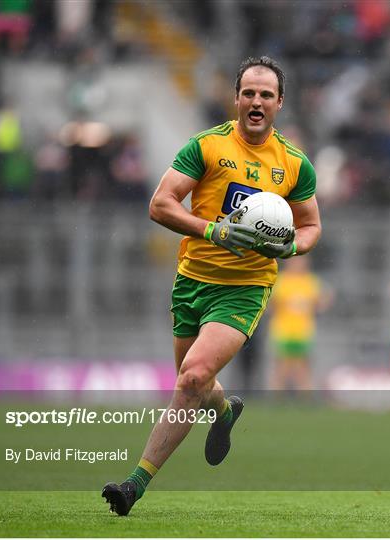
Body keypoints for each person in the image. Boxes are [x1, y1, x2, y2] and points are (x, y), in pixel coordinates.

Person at [102, 56, 322, 516]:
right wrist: (213, 231)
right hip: (192, 281)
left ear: (279, 103)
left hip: (245, 288)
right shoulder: (206, 147)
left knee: (194, 376)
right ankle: (223, 411)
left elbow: (311, 225)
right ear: (236, 98)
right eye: (249, 93)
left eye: (266, 94)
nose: (256, 101)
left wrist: (291, 249)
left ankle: (133, 485)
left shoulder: (295, 164)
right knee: (196, 383)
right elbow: (160, 204)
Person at [269, 255, 333, 391]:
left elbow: (322, 300)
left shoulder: (310, 281)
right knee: (282, 366)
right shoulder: (281, 280)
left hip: (303, 330)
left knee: (302, 366)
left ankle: (304, 397)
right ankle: (276, 397)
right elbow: (271, 303)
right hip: (283, 329)